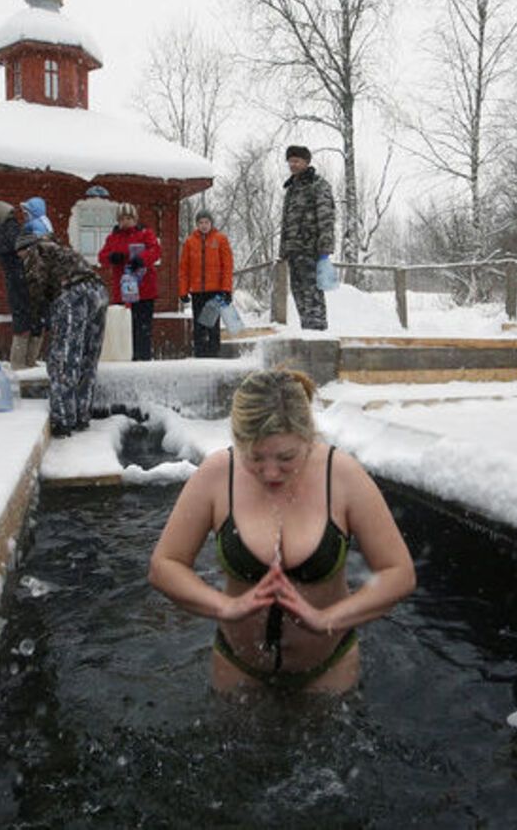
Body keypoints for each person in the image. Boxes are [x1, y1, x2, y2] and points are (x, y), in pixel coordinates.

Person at [149, 369, 416, 693]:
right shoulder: (217, 475)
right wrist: (224, 606)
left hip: (328, 667)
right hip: (238, 665)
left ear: (308, 437)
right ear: (238, 440)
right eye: (255, 457)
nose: (271, 472)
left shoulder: (342, 476)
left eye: (286, 457)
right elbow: (165, 564)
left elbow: (399, 573)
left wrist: (328, 618)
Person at [15, 232, 108, 437]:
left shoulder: (36, 252)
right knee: (88, 358)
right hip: (98, 291)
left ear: (25, 249)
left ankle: (63, 420)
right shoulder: (61, 250)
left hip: (74, 294)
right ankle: (81, 415)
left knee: (63, 359)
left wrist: (37, 320)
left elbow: (36, 287)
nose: (21, 259)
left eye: (20, 254)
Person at [279, 145, 336, 331]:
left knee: (313, 296)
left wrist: (325, 249)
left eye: (297, 161)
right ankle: (307, 333)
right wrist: (283, 250)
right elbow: (286, 222)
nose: (293, 164)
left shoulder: (318, 185)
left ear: (306, 162)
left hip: (311, 250)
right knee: (300, 296)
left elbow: (326, 218)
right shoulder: (291, 188)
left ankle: (318, 336)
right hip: (293, 251)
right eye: (290, 161)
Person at [0, 201, 43, 369]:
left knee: (24, 320)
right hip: (27, 279)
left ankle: (20, 363)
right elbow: (27, 247)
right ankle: (26, 363)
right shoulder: (11, 230)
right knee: (35, 320)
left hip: (15, 281)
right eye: (11, 215)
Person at [98, 203, 162, 361]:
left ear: (135, 219)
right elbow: (102, 257)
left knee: (143, 329)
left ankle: (143, 360)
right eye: (122, 219)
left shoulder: (145, 234)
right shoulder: (113, 238)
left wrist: (142, 259)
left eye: (128, 218)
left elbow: (155, 251)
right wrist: (112, 257)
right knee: (125, 329)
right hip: (124, 292)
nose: (125, 222)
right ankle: (127, 359)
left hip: (144, 290)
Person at [178, 208, 235, 358]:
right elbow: (184, 268)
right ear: (197, 224)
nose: (204, 225)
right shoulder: (190, 242)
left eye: (206, 222)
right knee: (199, 326)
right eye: (201, 222)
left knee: (212, 325)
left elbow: (227, 266)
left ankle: (214, 355)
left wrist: (226, 289)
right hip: (197, 291)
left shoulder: (220, 239)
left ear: (211, 223)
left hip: (214, 290)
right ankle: (200, 356)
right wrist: (183, 290)